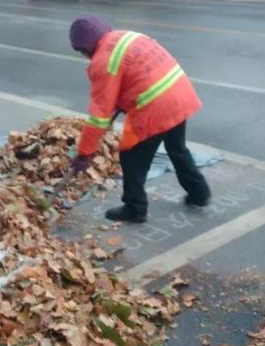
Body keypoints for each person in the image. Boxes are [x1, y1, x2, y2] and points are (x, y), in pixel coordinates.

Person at [69, 15, 211, 223]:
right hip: (179, 91)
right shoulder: (125, 36)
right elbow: (134, 74)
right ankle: (199, 193)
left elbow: (99, 116)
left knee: (131, 155)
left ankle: (135, 208)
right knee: (177, 148)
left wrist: (83, 154)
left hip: (155, 106)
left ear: (84, 49)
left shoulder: (101, 61)